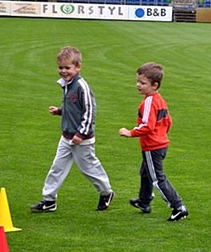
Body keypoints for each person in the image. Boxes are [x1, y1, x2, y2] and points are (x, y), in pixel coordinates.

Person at [31, 46, 114, 213]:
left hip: (81, 139)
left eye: (67, 68)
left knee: (88, 168)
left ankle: (106, 192)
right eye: (60, 67)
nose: (63, 71)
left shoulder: (81, 86)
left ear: (78, 67)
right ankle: (49, 200)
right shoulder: (67, 84)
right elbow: (73, 108)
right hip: (66, 136)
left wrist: (81, 134)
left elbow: (89, 111)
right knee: (57, 167)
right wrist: (60, 111)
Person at [118, 62, 188, 222]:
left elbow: (147, 126)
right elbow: (168, 121)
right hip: (161, 144)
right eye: (137, 81)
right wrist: (161, 135)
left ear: (154, 85)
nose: (138, 85)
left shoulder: (149, 101)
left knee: (157, 178)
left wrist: (130, 132)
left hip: (152, 147)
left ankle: (178, 207)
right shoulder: (160, 100)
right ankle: (144, 201)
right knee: (145, 173)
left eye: (142, 83)